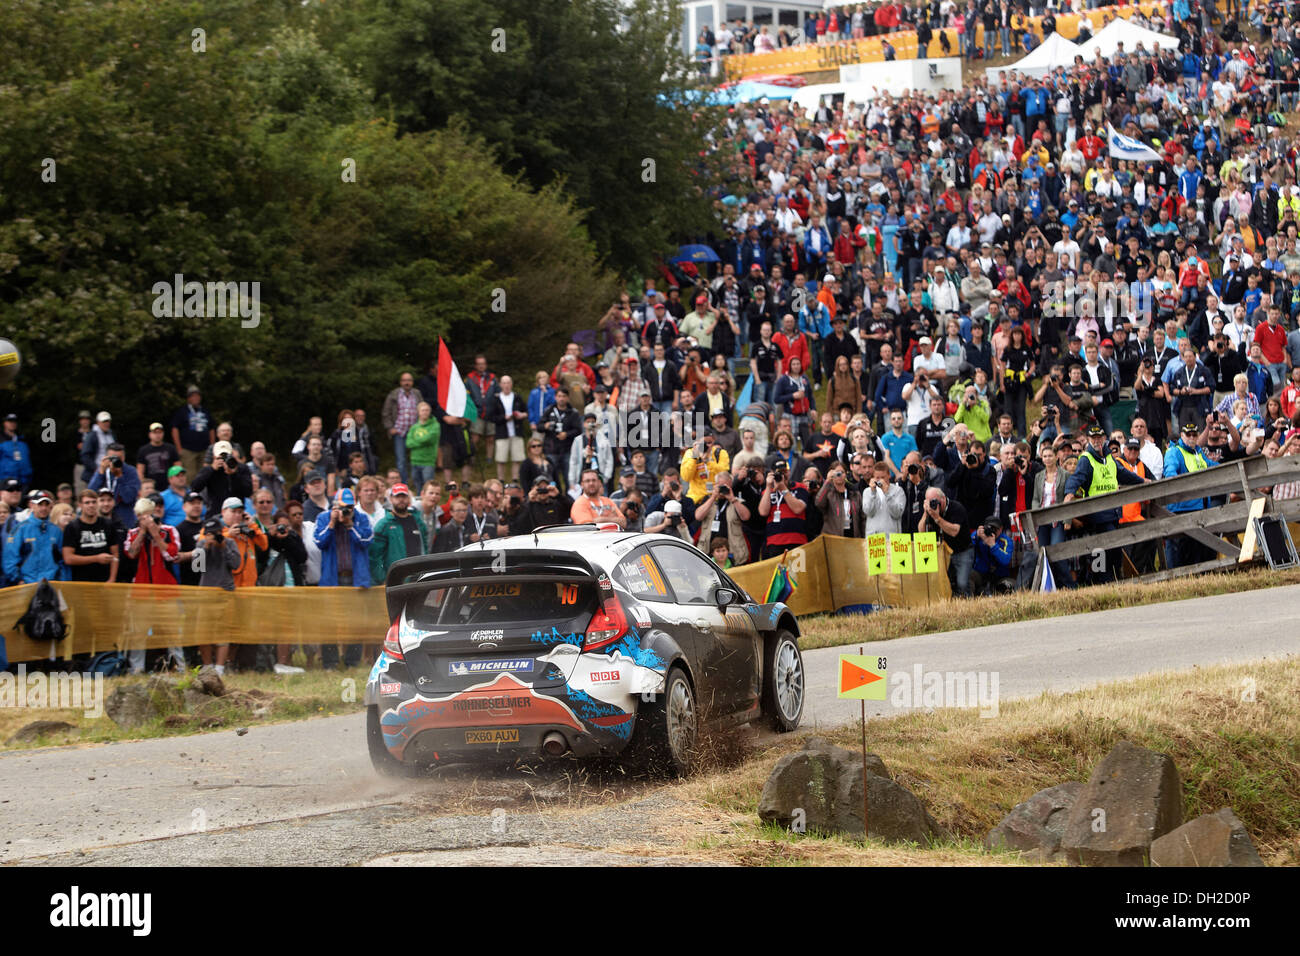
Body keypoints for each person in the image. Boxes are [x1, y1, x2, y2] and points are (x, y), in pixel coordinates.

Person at [1063, 425, 1149, 582]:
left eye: (1099, 438)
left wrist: (1142, 480)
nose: (1096, 441)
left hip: (1113, 511)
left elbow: (1123, 474)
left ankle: (1109, 579)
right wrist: (1069, 493)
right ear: (1088, 440)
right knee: (1102, 549)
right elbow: (1077, 477)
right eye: (1093, 438)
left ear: (1104, 439)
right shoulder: (1086, 459)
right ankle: (1102, 581)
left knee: (1111, 549)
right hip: (1098, 514)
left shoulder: (1109, 458)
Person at [314, 488, 373, 669]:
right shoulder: (324, 518)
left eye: (349, 507)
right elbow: (319, 542)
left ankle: (352, 662)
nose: (346, 511)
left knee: (356, 622)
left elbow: (366, 541)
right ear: (335, 506)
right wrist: (332, 524)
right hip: (332, 578)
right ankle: (330, 662)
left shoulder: (361, 518)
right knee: (329, 621)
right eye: (342, 507)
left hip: (356, 578)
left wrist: (350, 525)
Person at [1162, 421, 1216, 569]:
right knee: (1179, 550)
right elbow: (1170, 473)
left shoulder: (1198, 452)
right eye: (1188, 434)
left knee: (1198, 549)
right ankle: (1176, 579)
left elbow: (1212, 466)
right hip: (1181, 508)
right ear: (1181, 436)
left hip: (1201, 506)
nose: (1191, 437)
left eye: (1194, 434)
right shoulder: (1174, 452)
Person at [369, 483, 428, 584]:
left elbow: (425, 549)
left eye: (404, 496)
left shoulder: (418, 522)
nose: (401, 499)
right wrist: (383, 579)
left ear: (409, 498)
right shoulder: (384, 524)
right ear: (391, 498)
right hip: (396, 582)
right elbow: (374, 556)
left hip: (418, 580)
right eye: (397, 496)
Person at [918, 487, 973, 597]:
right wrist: (925, 513)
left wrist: (937, 518)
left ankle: (968, 600)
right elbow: (921, 532)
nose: (933, 505)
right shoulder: (930, 512)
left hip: (962, 550)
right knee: (945, 583)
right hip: (944, 553)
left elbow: (954, 531)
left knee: (962, 583)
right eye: (929, 502)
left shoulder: (957, 508)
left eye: (934, 501)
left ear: (943, 499)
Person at [4, 490, 63, 584]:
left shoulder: (56, 531)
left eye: (46, 505)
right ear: (32, 505)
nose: (43, 508)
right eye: (40, 504)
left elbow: (62, 560)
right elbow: (10, 559)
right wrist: (19, 580)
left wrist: (62, 581)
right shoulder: (20, 529)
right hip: (27, 584)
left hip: (51, 585)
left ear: (51, 507)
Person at [62, 489, 120, 583]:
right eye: (87, 503)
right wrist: (96, 558)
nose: (91, 505)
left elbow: (115, 554)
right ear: (80, 505)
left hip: (105, 580)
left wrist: (112, 579)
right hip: (81, 582)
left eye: (93, 502)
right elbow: (68, 558)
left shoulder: (108, 524)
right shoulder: (72, 527)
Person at [487, 375, 529, 481]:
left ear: (511, 384)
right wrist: (504, 418)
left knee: (517, 458)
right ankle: (500, 480)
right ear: (501, 385)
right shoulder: (496, 398)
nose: (506, 385)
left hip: (516, 431)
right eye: (504, 383)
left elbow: (525, 411)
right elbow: (491, 416)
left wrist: (521, 415)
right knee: (501, 458)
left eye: (508, 383)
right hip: (502, 432)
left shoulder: (517, 397)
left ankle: (515, 479)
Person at [170, 386, 214, 479]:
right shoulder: (182, 411)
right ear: (188, 398)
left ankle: (204, 493)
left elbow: (211, 428)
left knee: (205, 474)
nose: (195, 398)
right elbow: (175, 429)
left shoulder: (205, 411)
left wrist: (212, 447)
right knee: (190, 475)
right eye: (192, 396)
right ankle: (190, 493)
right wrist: (179, 449)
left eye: (197, 395)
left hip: (204, 450)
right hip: (188, 450)